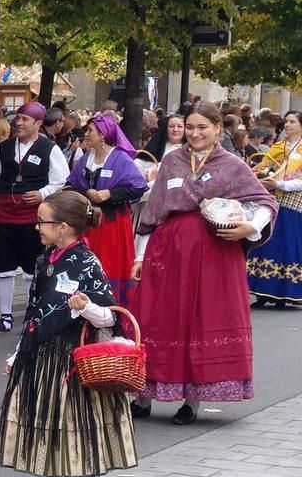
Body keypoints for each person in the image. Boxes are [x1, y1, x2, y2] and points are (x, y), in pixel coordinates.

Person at [129, 102, 278, 425]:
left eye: (203, 128)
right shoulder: (172, 161)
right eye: (191, 127)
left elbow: (264, 201)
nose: (195, 134)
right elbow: (154, 213)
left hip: (213, 254)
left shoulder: (233, 165)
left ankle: (191, 402)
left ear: (217, 130)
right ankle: (143, 396)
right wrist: (140, 256)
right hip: (168, 251)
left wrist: (250, 227)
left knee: (200, 318)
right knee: (157, 316)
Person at [0, 191, 138, 477]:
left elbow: (111, 316)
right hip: (42, 354)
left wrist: (87, 306)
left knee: (76, 421)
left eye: (42, 222)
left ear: (62, 227)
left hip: (73, 359)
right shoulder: (44, 260)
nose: (37, 227)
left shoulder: (88, 263)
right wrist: (19, 353)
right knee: (46, 418)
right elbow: (33, 311)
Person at [0, 101, 70, 333]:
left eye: (24, 119)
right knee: (4, 268)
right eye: (18, 118)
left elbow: (61, 178)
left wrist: (42, 193)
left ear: (38, 124)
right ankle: (5, 316)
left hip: (33, 218)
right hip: (5, 215)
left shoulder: (50, 148)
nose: (18, 123)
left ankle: (31, 312)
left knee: (32, 268)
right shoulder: (3, 149)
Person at [66, 115, 147, 304]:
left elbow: (138, 186)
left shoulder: (120, 158)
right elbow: (72, 183)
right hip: (88, 223)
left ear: (103, 135)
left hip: (112, 223)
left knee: (110, 263)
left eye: (90, 130)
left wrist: (109, 193)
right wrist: (87, 191)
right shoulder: (87, 158)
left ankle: (110, 306)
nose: (86, 134)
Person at [248, 109, 302, 308]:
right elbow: (264, 166)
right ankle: (263, 291)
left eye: (292, 122)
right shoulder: (279, 146)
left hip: (293, 201)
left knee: (288, 244)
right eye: (286, 121)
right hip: (273, 198)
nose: (288, 125)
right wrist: (262, 176)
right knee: (267, 242)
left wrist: (281, 185)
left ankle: (285, 292)